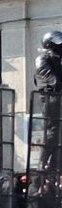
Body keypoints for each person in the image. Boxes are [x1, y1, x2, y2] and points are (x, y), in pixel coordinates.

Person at [36, 30, 61, 172]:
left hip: (58, 99)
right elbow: (53, 81)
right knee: (52, 131)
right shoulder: (43, 59)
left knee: (59, 133)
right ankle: (42, 162)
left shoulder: (58, 60)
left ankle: (54, 163)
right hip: (50, 99)